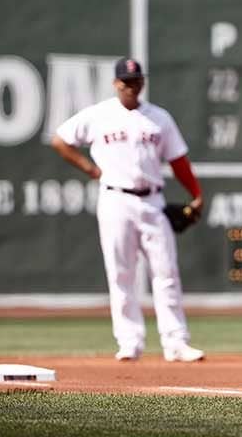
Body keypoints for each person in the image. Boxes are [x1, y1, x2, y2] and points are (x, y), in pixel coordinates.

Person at [50, 57, 205, 362]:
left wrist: (196, 193)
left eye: (136, 81)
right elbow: (60, 139)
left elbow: (178, 160)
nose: (132, 86)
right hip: (115, 199)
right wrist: (89, 168)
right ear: (115, 83)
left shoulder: (159, 118)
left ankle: (176, 342)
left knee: (167, 272)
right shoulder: (99, 114)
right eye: (126, 81)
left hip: (153, 201)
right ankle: (129, 341)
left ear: (142, 82)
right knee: (121, 273)